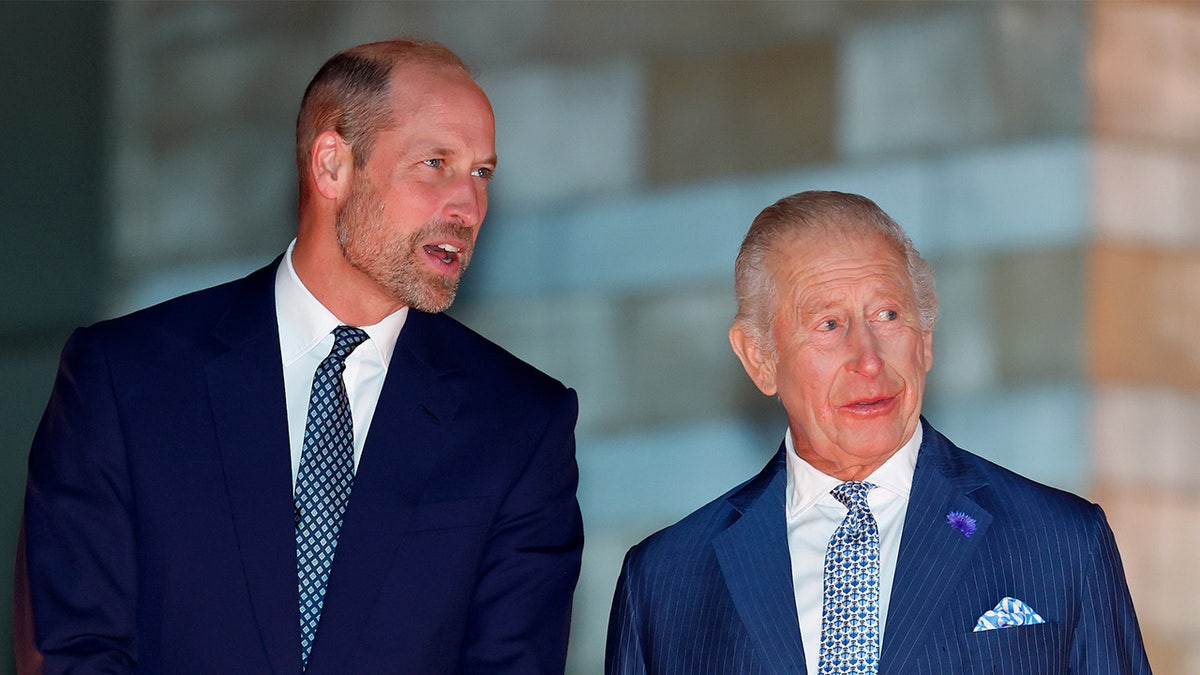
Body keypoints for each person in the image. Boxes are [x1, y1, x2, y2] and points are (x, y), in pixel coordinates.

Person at [16, 39, 583, 674]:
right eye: (435, 163)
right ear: (331, 165)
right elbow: (73, 649)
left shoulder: (521, 424)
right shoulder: (126, 378)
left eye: (482, 173)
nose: (468, 207)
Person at [606, 190, 1149, 673]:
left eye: (888, 315)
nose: (868, 359)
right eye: (829, 325)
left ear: (926, 338)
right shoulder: (664, 583)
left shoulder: (1061, 542)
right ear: (759, 359)